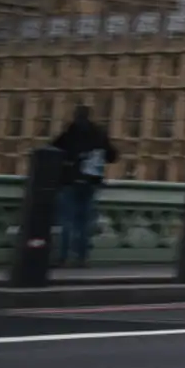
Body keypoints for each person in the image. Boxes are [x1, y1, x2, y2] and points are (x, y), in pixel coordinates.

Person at [51, 103, 116, 267]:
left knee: (67, 220)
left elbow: (52, 151)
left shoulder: (69, 133)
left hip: (70, 182)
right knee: (85, 221)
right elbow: (112, 156)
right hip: (90, 182)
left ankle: (64, 257)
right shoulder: (99, 134)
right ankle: (81, 257)